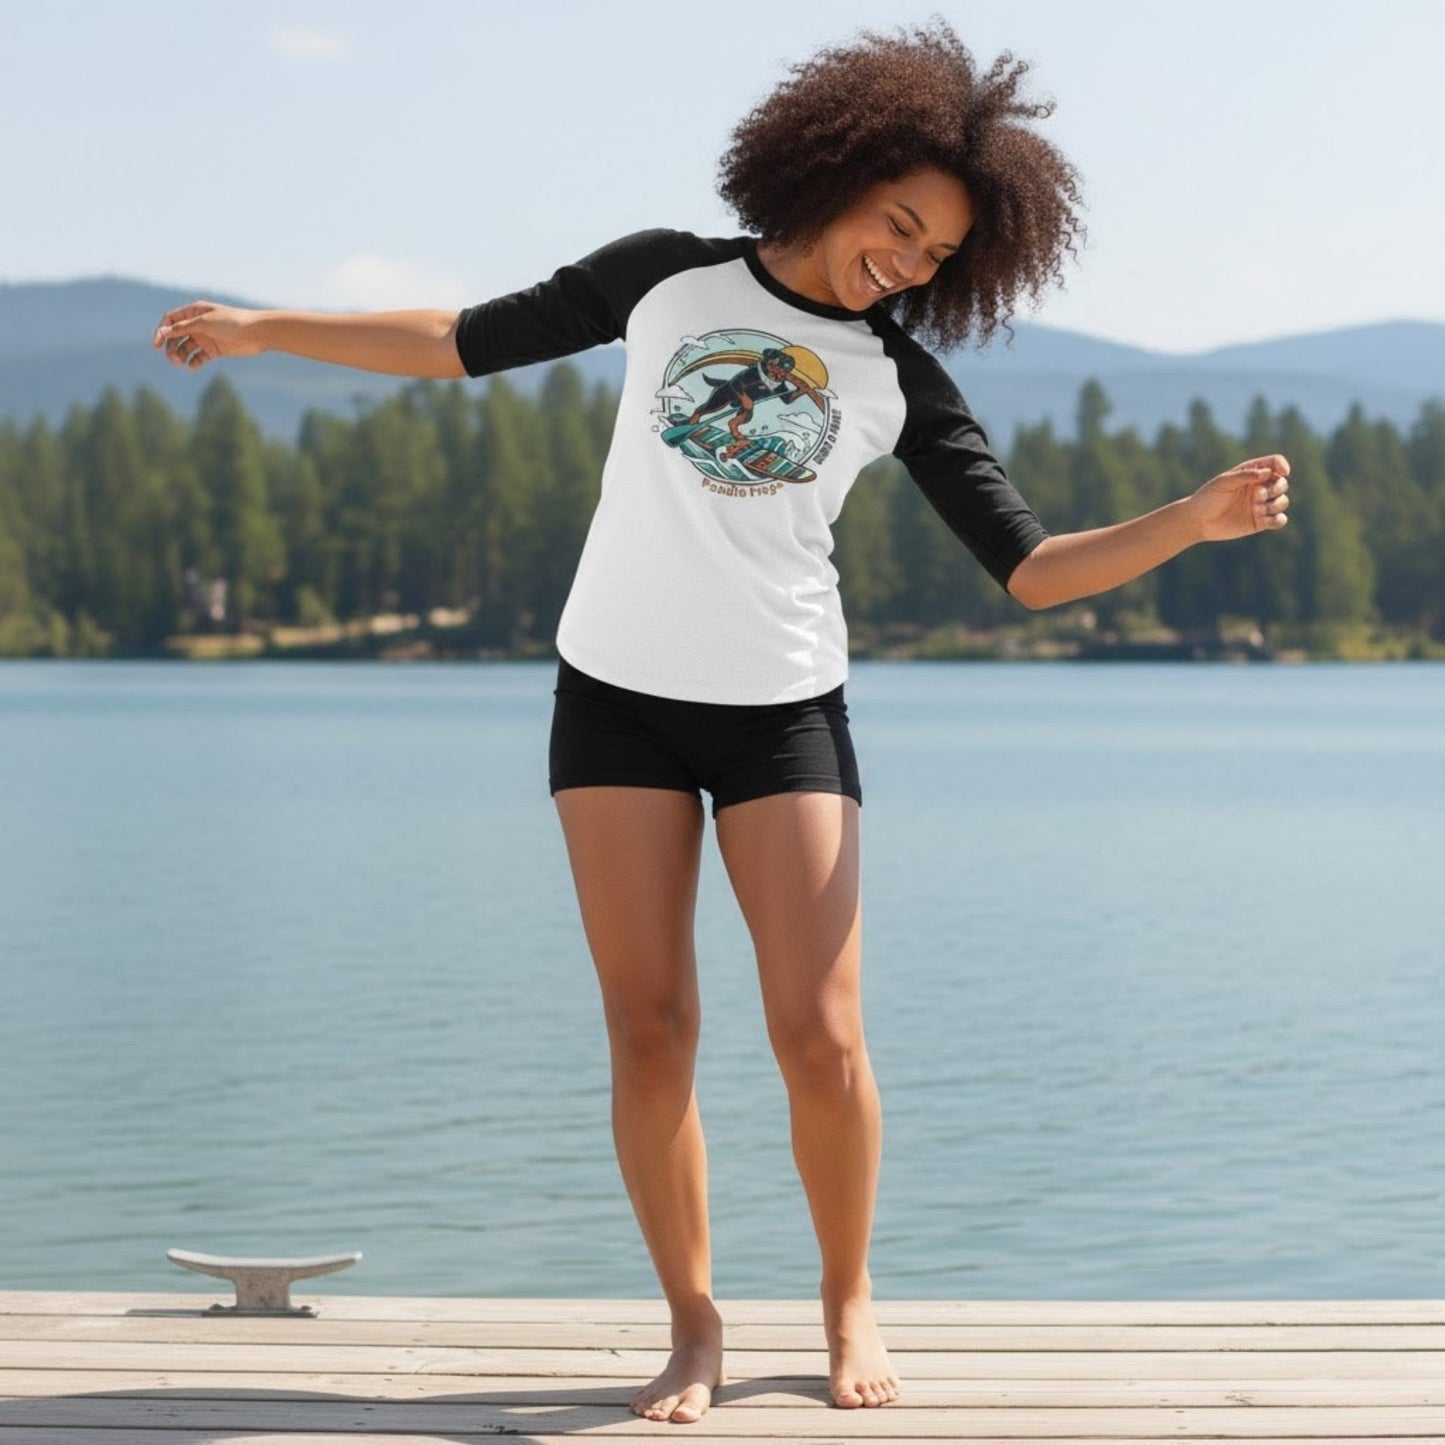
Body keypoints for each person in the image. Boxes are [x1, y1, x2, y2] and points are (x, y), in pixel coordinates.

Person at [151, 19, 1291, 1425]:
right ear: (837, 170)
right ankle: (691, 1323)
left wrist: (1187, 520)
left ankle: (844, 1295)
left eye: (937, 253)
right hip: (613, 703)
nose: (909, 261)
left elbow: (1033, 569)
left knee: (820, 1032)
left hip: (782, 717)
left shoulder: (896, 380)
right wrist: (266, 325)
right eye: (898, 224)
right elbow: (455, 342)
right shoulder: (665, 279)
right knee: (649, 1028)